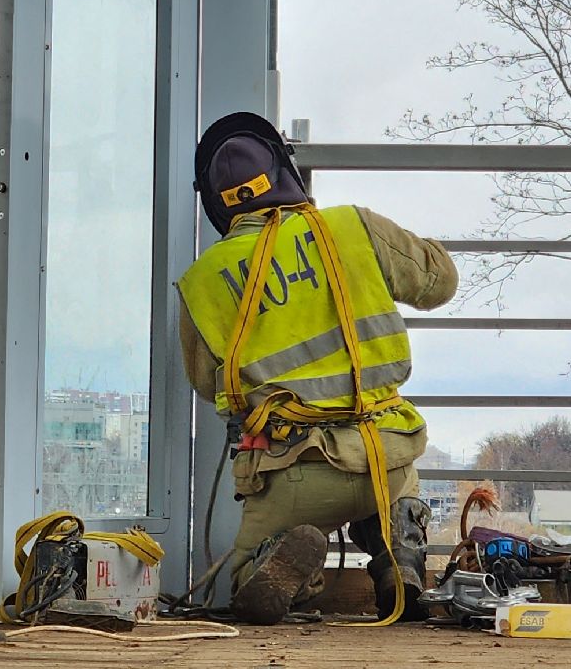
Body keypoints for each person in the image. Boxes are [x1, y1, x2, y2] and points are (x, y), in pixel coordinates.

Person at [173, 113, 456, 625]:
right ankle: (400, 559)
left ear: (217, 202)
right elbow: (441, 283)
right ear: (286, 170)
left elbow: (204, 382)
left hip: (291, 473)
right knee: (398, 482)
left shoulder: (201, 281)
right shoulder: (353, 227)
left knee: (244, 581)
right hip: (383, 458)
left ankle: (285, 564)